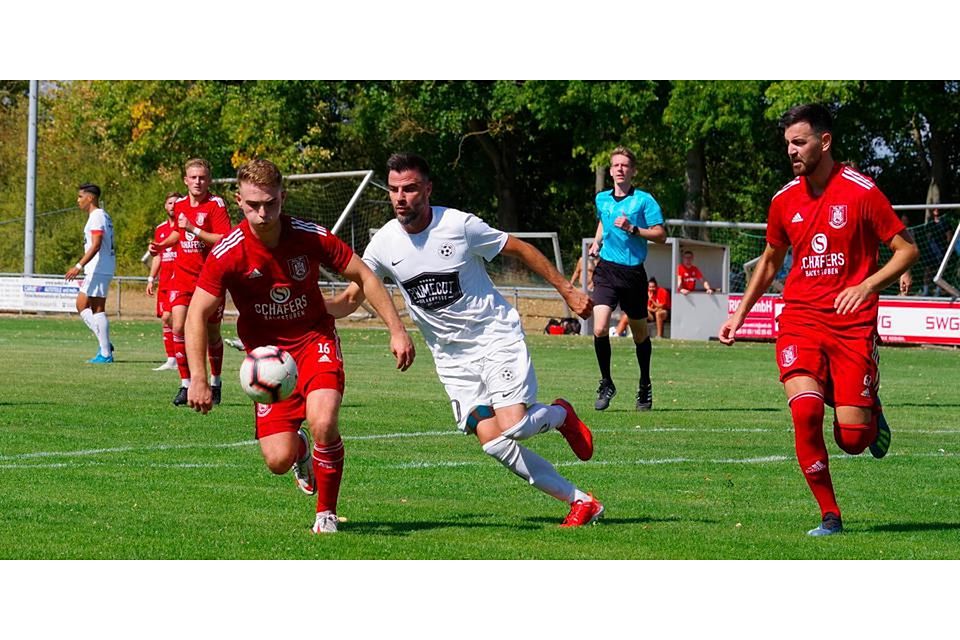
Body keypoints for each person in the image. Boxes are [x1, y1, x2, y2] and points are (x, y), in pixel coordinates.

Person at [329, 152, 603, 527]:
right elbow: (350, 298)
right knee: (493, 441)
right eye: (394, 190)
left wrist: (567, 291)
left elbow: (519, 248)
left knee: (513, 425)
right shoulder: (383, 244)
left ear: (427, 188)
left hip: (493, 336)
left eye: (409, 188)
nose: (400, 198)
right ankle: (581, 501)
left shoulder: (459, 225)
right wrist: (307, 307)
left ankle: (560, 414)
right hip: (450, 358)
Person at [718, 104, 918, 537]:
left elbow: (906, 251)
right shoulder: (783, 199)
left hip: (852, 324)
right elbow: (770, 263)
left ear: (824, 142)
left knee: (853, 439)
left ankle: (870, 408)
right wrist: (739, 313)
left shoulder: (862, 191)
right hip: (801, 319)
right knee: (805, 412)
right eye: (788, 143)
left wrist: (867, 286)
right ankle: (830, 515)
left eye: (800, 142)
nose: (791, 151)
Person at [185, 159, 415, 535]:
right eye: (253, 205)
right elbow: (197, 315)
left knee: (324, 421)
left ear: (282, 198)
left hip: (314, 341)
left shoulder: (309, 236)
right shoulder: (227, 253)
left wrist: (396, 329)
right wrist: (199, 378)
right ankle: (301, 452)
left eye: (271, 203)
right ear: (238, 201)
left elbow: (364, 275)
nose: (263, 213)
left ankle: (326, 513)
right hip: (265, 360)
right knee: (278, 459)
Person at [588, 145, 666, 411]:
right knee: (599, 328)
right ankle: (606, 382)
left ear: (633, 170)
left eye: (625, 165)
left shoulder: (644, 200)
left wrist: (634, 229)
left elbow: (660, 234)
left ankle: (644, 384)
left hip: (632, 274)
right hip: (606, 270)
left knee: (639, 335)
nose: (620, 169)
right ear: (610, 171)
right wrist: (597, 242)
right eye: (615, 165)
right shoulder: (602, 199)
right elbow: (603, 221)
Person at [150, 158, 232, 406]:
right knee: (178, 326)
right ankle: (185, 384)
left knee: (212, 332)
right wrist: (161, 245)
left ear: (209, 180)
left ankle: (215, 381)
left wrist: (195, 230)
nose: (198, 182)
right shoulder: (182, 204)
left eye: (202, 177)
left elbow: (222, 239)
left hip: (209, 278)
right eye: (193, 177)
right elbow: (178, 231)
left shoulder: (215, 205)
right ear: (185, 180)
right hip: (182, 277)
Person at [64, 183, 115, 363]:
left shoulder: (97, 216)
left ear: (90, 198)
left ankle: (106, 353)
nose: (78, 200)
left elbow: (96, 244)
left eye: (80, 196)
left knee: (97, 309)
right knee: (81, 304)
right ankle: (105, 343)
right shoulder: (100, 216)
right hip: (97, 268)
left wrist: (77, 266)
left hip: (99, 268)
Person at [146, 192, 182, 371]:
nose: (173, 206)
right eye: (170, 203)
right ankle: (172, 359)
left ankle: (180, 357)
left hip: (181, 279)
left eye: (176, 202)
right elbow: (159, 256)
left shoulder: (185, 226)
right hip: (165, 281)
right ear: (165, 206)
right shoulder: (160, 229)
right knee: (165, 319)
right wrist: (151, 278)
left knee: (173, 318)